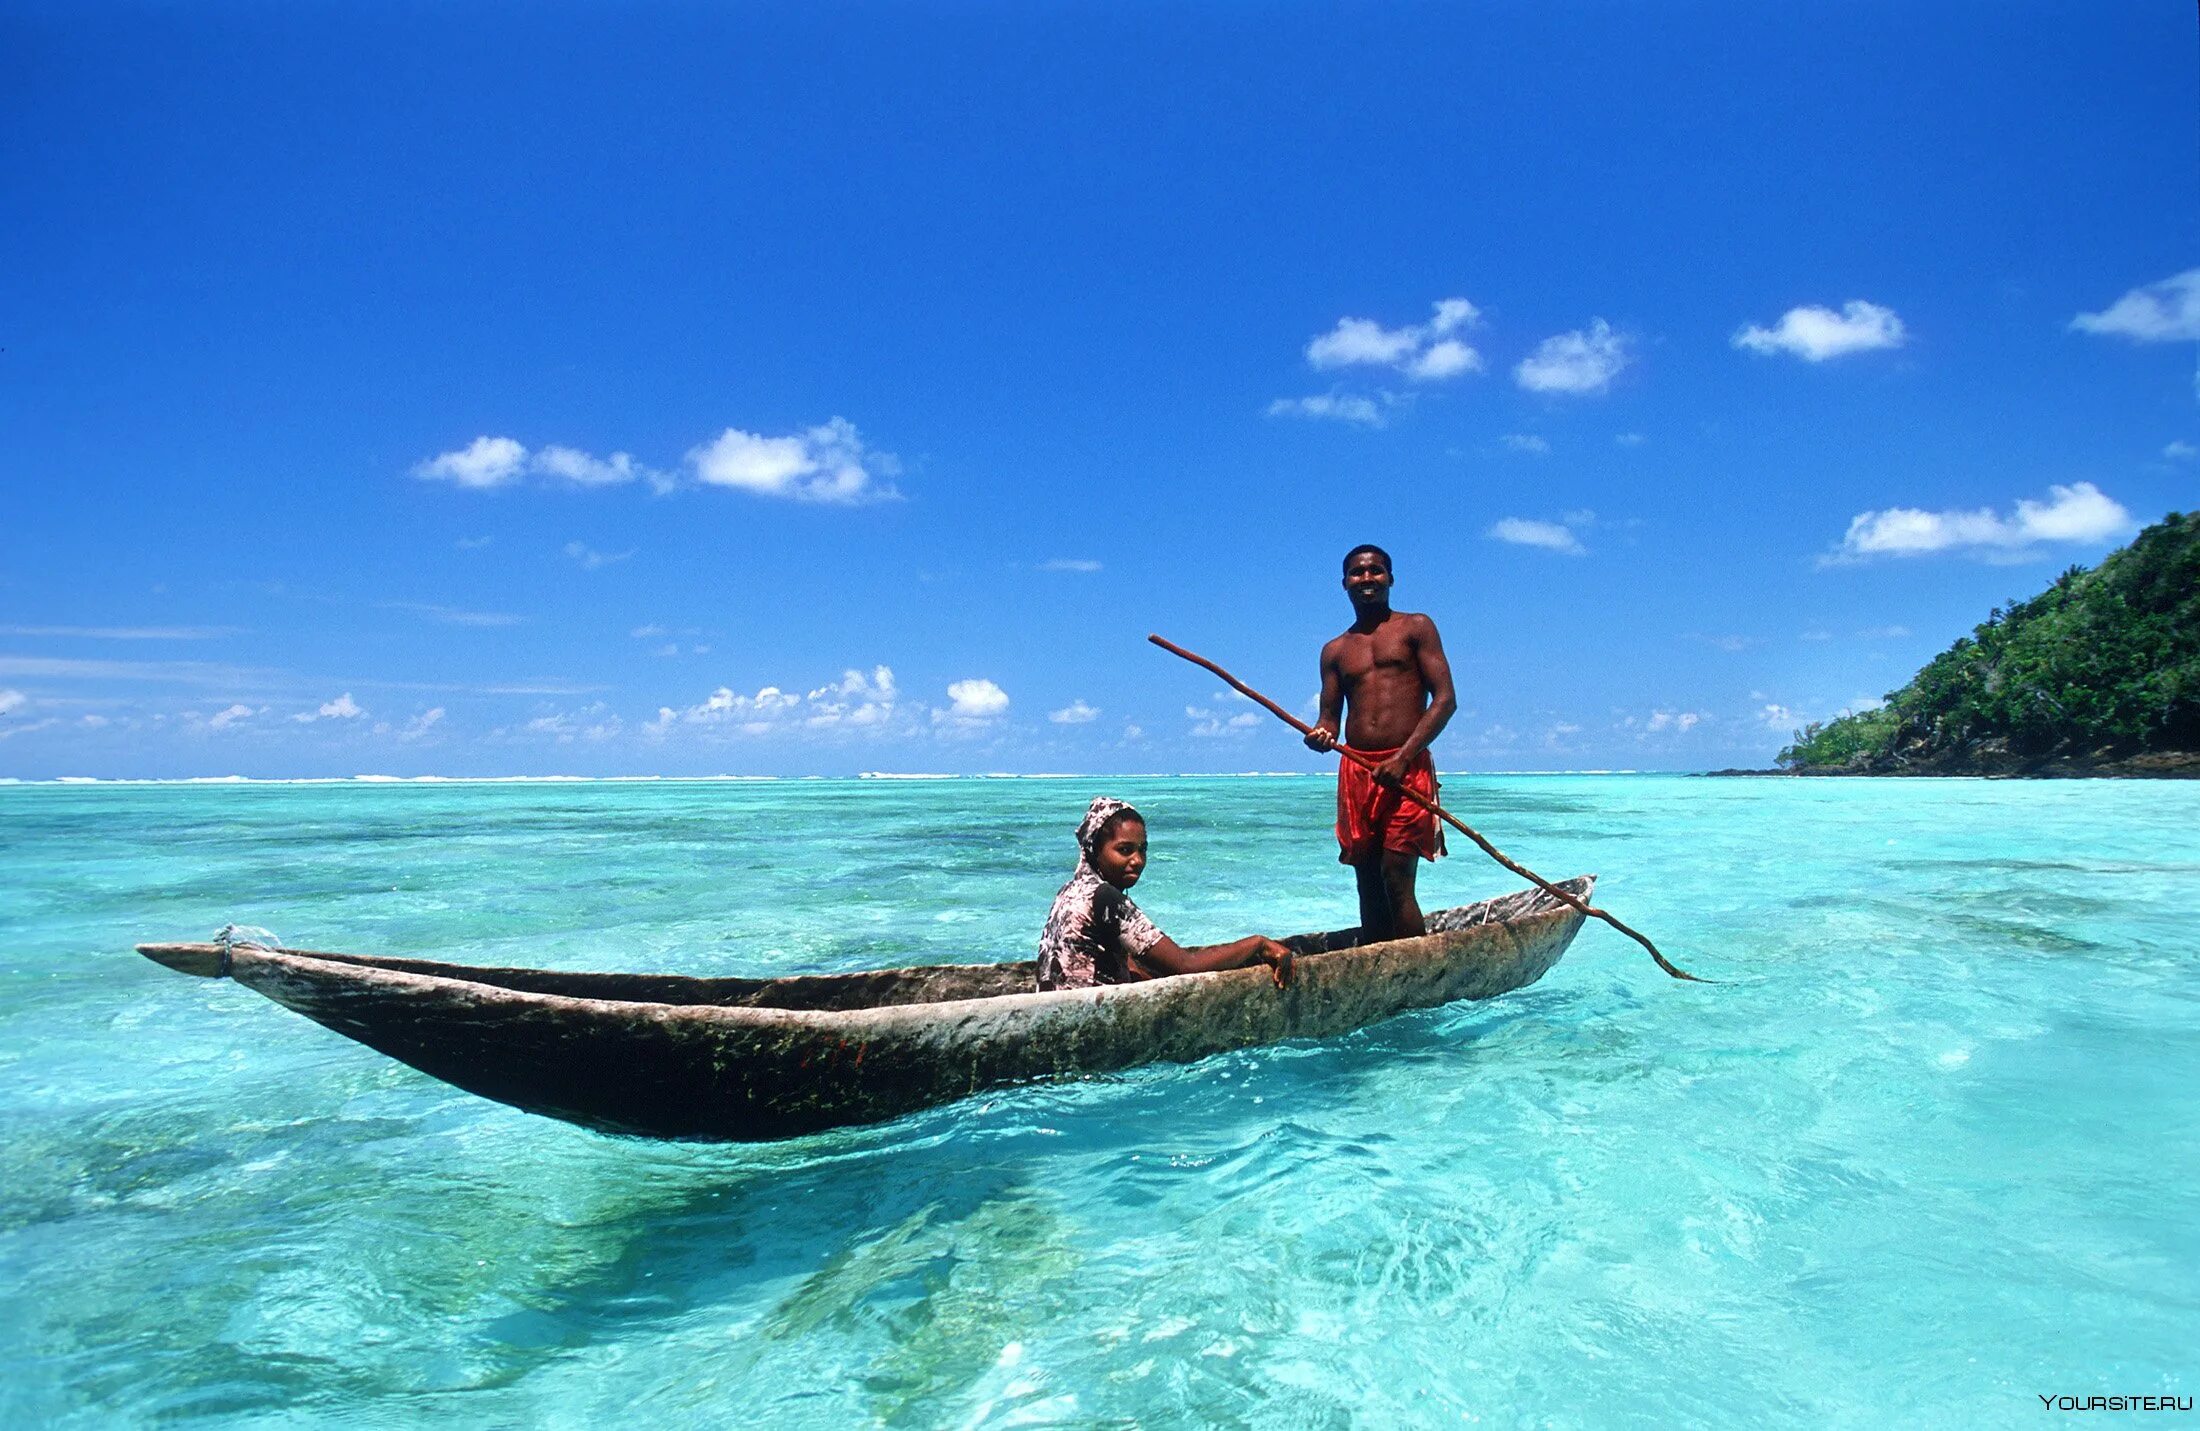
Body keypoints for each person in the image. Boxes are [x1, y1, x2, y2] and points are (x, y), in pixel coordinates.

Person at [1303, 543, 1459, 943]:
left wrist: (1404, 758)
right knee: (1367, 877)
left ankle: (1417, 970)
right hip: (1357, 771)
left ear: (1391, 578)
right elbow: (1329, 720)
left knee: (1396, 875)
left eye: (1375, 571)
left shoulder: (1416, 627)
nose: (1366, 579)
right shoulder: (1335, 650)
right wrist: (1320, 737)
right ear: (1344, 584)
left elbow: (1445, 700)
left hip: (1406, 769)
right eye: (1357, 573)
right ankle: (1377, 967)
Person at [1036, 796, 1294, 991]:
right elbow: (1185, 965)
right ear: (1094, 850)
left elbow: (1126, 959)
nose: (1137, 860)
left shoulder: (1069, 891)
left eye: (1142, 850)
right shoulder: (1105, 898)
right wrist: (1257, 944)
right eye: (1124, 850)